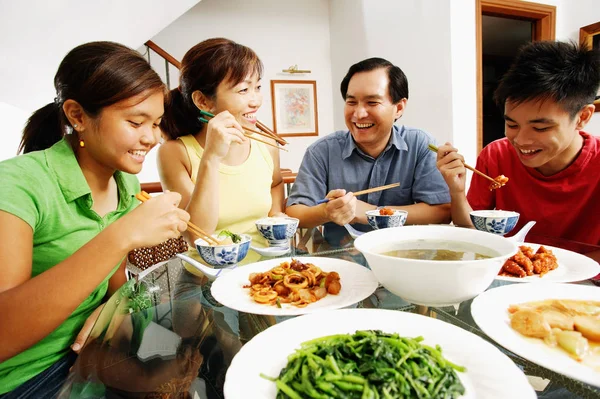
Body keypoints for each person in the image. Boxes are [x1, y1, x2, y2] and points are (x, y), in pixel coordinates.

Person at [0, 41, 190, 398]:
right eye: (135, 122)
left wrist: (108, 313)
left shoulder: (126, 182)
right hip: (30, 375)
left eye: (156, 123)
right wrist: (123, 235)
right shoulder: (16, 184)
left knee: (195, 356)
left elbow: (114, 285)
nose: (150, 138)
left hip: (97, 348)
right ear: (78, 116)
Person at [435, 41, 600, 253]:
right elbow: (471, 230)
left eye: (540, 128)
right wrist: (457, 191)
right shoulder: (496, 154)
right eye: (512, 124)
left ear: (582, 117)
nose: (521, 140)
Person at [286, 57, 451, 239]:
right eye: (351, 102)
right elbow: (295, 213)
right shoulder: (322, 151)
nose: (358, 114)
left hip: (404, 253)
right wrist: (326, 212)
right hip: (341, 257)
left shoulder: (419, 144)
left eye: (372, 103)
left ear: (399, 107)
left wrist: (371, 213)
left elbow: (442, 211)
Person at [158, 38, 285, 247]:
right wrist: (211, 157)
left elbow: (276, 183)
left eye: (258, 87)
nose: (256, 101)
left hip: (264, 272)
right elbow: (197, 235)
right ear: (203, 101)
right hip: (207, 275)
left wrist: (275, 215)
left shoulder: (267, 144)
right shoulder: (175, 153)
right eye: (243, 90)